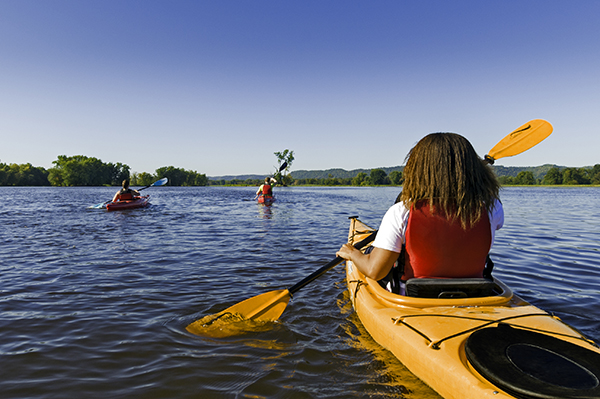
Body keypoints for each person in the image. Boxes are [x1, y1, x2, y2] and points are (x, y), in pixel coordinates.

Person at [336, 133, 503, 294]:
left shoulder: (401, 212)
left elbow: (375, 271)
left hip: (412, 298)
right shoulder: (493, 207)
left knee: (370, 255)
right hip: (473, 294)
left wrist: (352, 253)